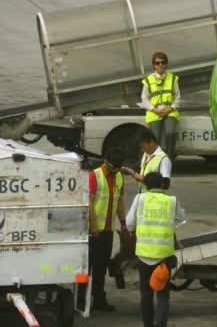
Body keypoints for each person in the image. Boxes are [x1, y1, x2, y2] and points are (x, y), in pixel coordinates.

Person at [126, 172, 186, 327]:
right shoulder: (171, 201)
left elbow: (129, 223)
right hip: (164, 258)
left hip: (144, 256)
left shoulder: (140, 199)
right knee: (163, 295)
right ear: (162, 185)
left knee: (145, 295)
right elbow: (180, 218)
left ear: (145, 185)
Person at [83, 149, 127, 312]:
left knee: (101, 267)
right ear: (106, 161)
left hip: (108, 230)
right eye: (113, 167)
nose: (115, 170)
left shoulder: (119, 176)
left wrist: (123, 223)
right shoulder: (95, 176)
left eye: (117, 168)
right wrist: (93, 225)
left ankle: (99, 299)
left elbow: (119, 201)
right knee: (86, 268)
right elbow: (89, 203)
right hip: (93, 231)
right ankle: (82, 300)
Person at [141, 51, 182, 160]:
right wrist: (154, 110)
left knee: (170, 134)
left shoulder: (173, 78)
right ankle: (155, 161)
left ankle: (168, 160)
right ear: (154, 65)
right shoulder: (148, 80)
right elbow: (144, 99)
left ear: (166, 64)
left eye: (163, 62)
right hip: (154, 112)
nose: (160, 65)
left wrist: (170, 109)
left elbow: (178, 98)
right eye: (157, 63)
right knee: (154, 139)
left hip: (170, 111)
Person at [125, 128, 172, 193]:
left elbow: (165, 185)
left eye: (143, 146)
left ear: (151, 142)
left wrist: (141, 178)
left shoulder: (164, 159)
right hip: (143, 197)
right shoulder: (146, 154)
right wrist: (134, 174)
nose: (142, 149)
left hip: (154, 199)